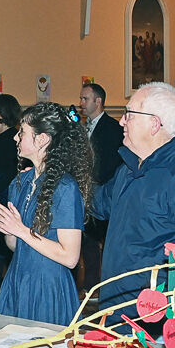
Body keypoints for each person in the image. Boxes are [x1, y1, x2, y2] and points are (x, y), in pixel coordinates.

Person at [95, 82, 175, 322]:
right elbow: (99, 203)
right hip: (116, 303)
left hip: (155, 315)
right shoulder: (130, 167)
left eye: (129, 114)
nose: (122, 121)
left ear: (154, 123)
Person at [0, 103, 91, 326]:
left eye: (22, 132)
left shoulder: (64, 188)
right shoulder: (20, 183)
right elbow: (16, 245)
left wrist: (22, 231)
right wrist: (9, 230)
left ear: (42, 139)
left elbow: (70, 257)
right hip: (18, 279)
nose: (15, 138)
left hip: (48, 286)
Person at [77, 83, 123, 291]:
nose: (81, 104)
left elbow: (112, 162)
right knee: (86, 240)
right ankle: (90, 284)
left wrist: (96, 183)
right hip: (85, 191)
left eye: (85, 99)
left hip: (103, 190)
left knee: (100, 240)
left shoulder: (112, 128)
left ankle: (101, 285)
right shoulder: (81, 127)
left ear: (98, 101)